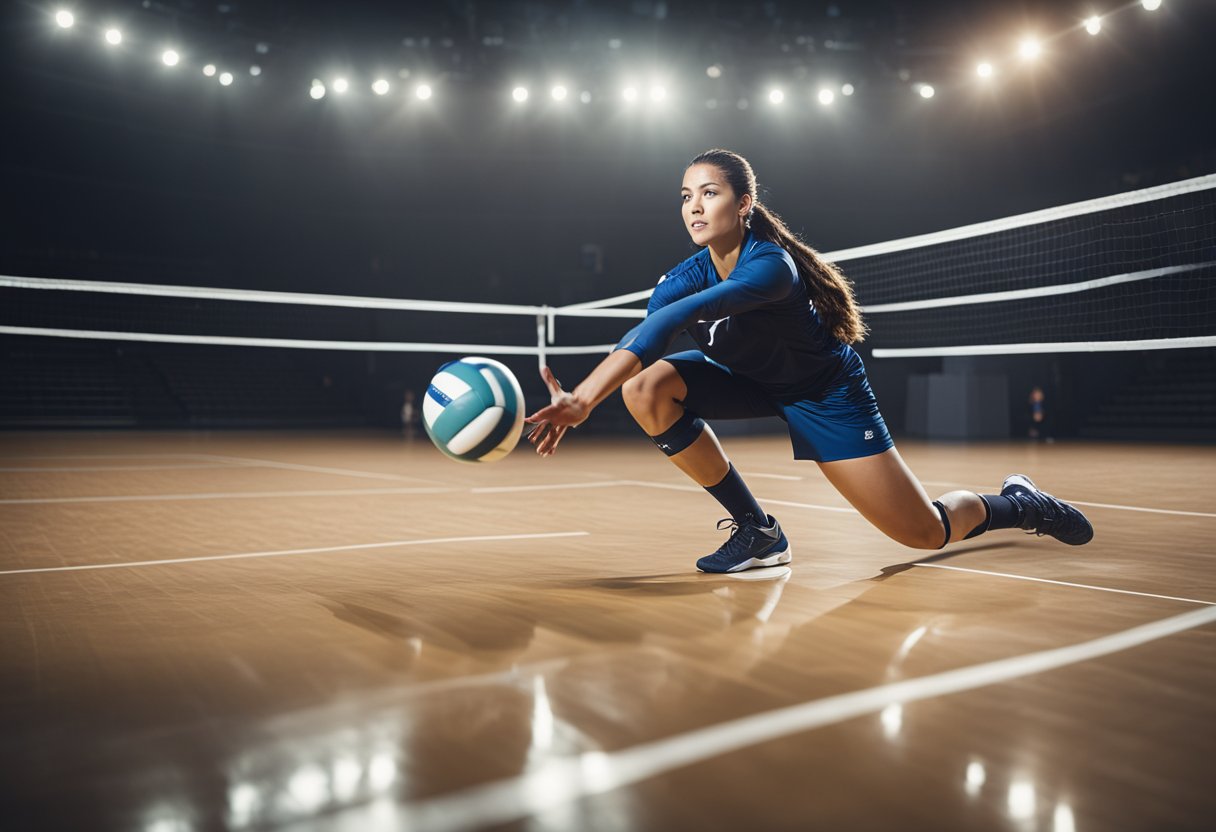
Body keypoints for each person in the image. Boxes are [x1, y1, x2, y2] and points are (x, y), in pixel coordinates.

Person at [525, 149, 1093, 573]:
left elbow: (668, 323)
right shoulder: (681, 277)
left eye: (709, 193)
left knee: (923, 532)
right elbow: (649, 336)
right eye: (684, 196)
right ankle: (758, 531)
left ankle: (1020, 504)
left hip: (823, 393)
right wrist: (589, 398)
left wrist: (581, 398)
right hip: (750, 381)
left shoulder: (770, 266)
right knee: (645, 389)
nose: (694, 207)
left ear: (744, 203)